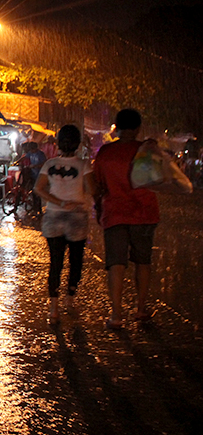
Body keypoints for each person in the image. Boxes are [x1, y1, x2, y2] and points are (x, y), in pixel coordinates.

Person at [92, 109, 160, 329]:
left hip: (115, 213)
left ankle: (116, 314)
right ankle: (140, 309)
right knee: (143, 261)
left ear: (116, 128)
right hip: (144, 212)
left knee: (116, 263)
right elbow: (157, 179)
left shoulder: (106, 152)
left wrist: (98, 205)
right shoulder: (145, 150)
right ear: (138, 128)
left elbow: (98, 184)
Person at [34, 125, 94, 324]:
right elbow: (92, 189)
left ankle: (53, 309)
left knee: (56, 263)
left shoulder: (49, 164)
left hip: (53, 216)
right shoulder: (84, 165)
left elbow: (39, 189)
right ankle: (70, 298)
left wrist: (58, 201)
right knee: (76, 261)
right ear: (78, 144)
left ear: (58, 142)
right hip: (77, 217)